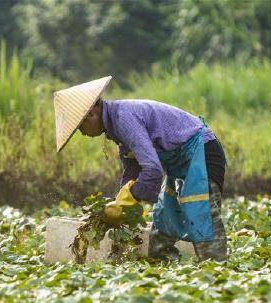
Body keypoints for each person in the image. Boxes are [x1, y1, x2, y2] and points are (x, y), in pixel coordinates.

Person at [53, 76, 227, 261]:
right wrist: (118, 203)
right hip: (180, 163)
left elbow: (152, 170)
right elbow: (133, 172)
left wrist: (128, 200)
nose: (83, 133)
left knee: (202, 217)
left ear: (91, 114)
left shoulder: (123, 118)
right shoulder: (115, 125)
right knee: (163, 229)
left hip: (202, 154)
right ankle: (168, 281)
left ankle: (217, 277)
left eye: (80, 127)